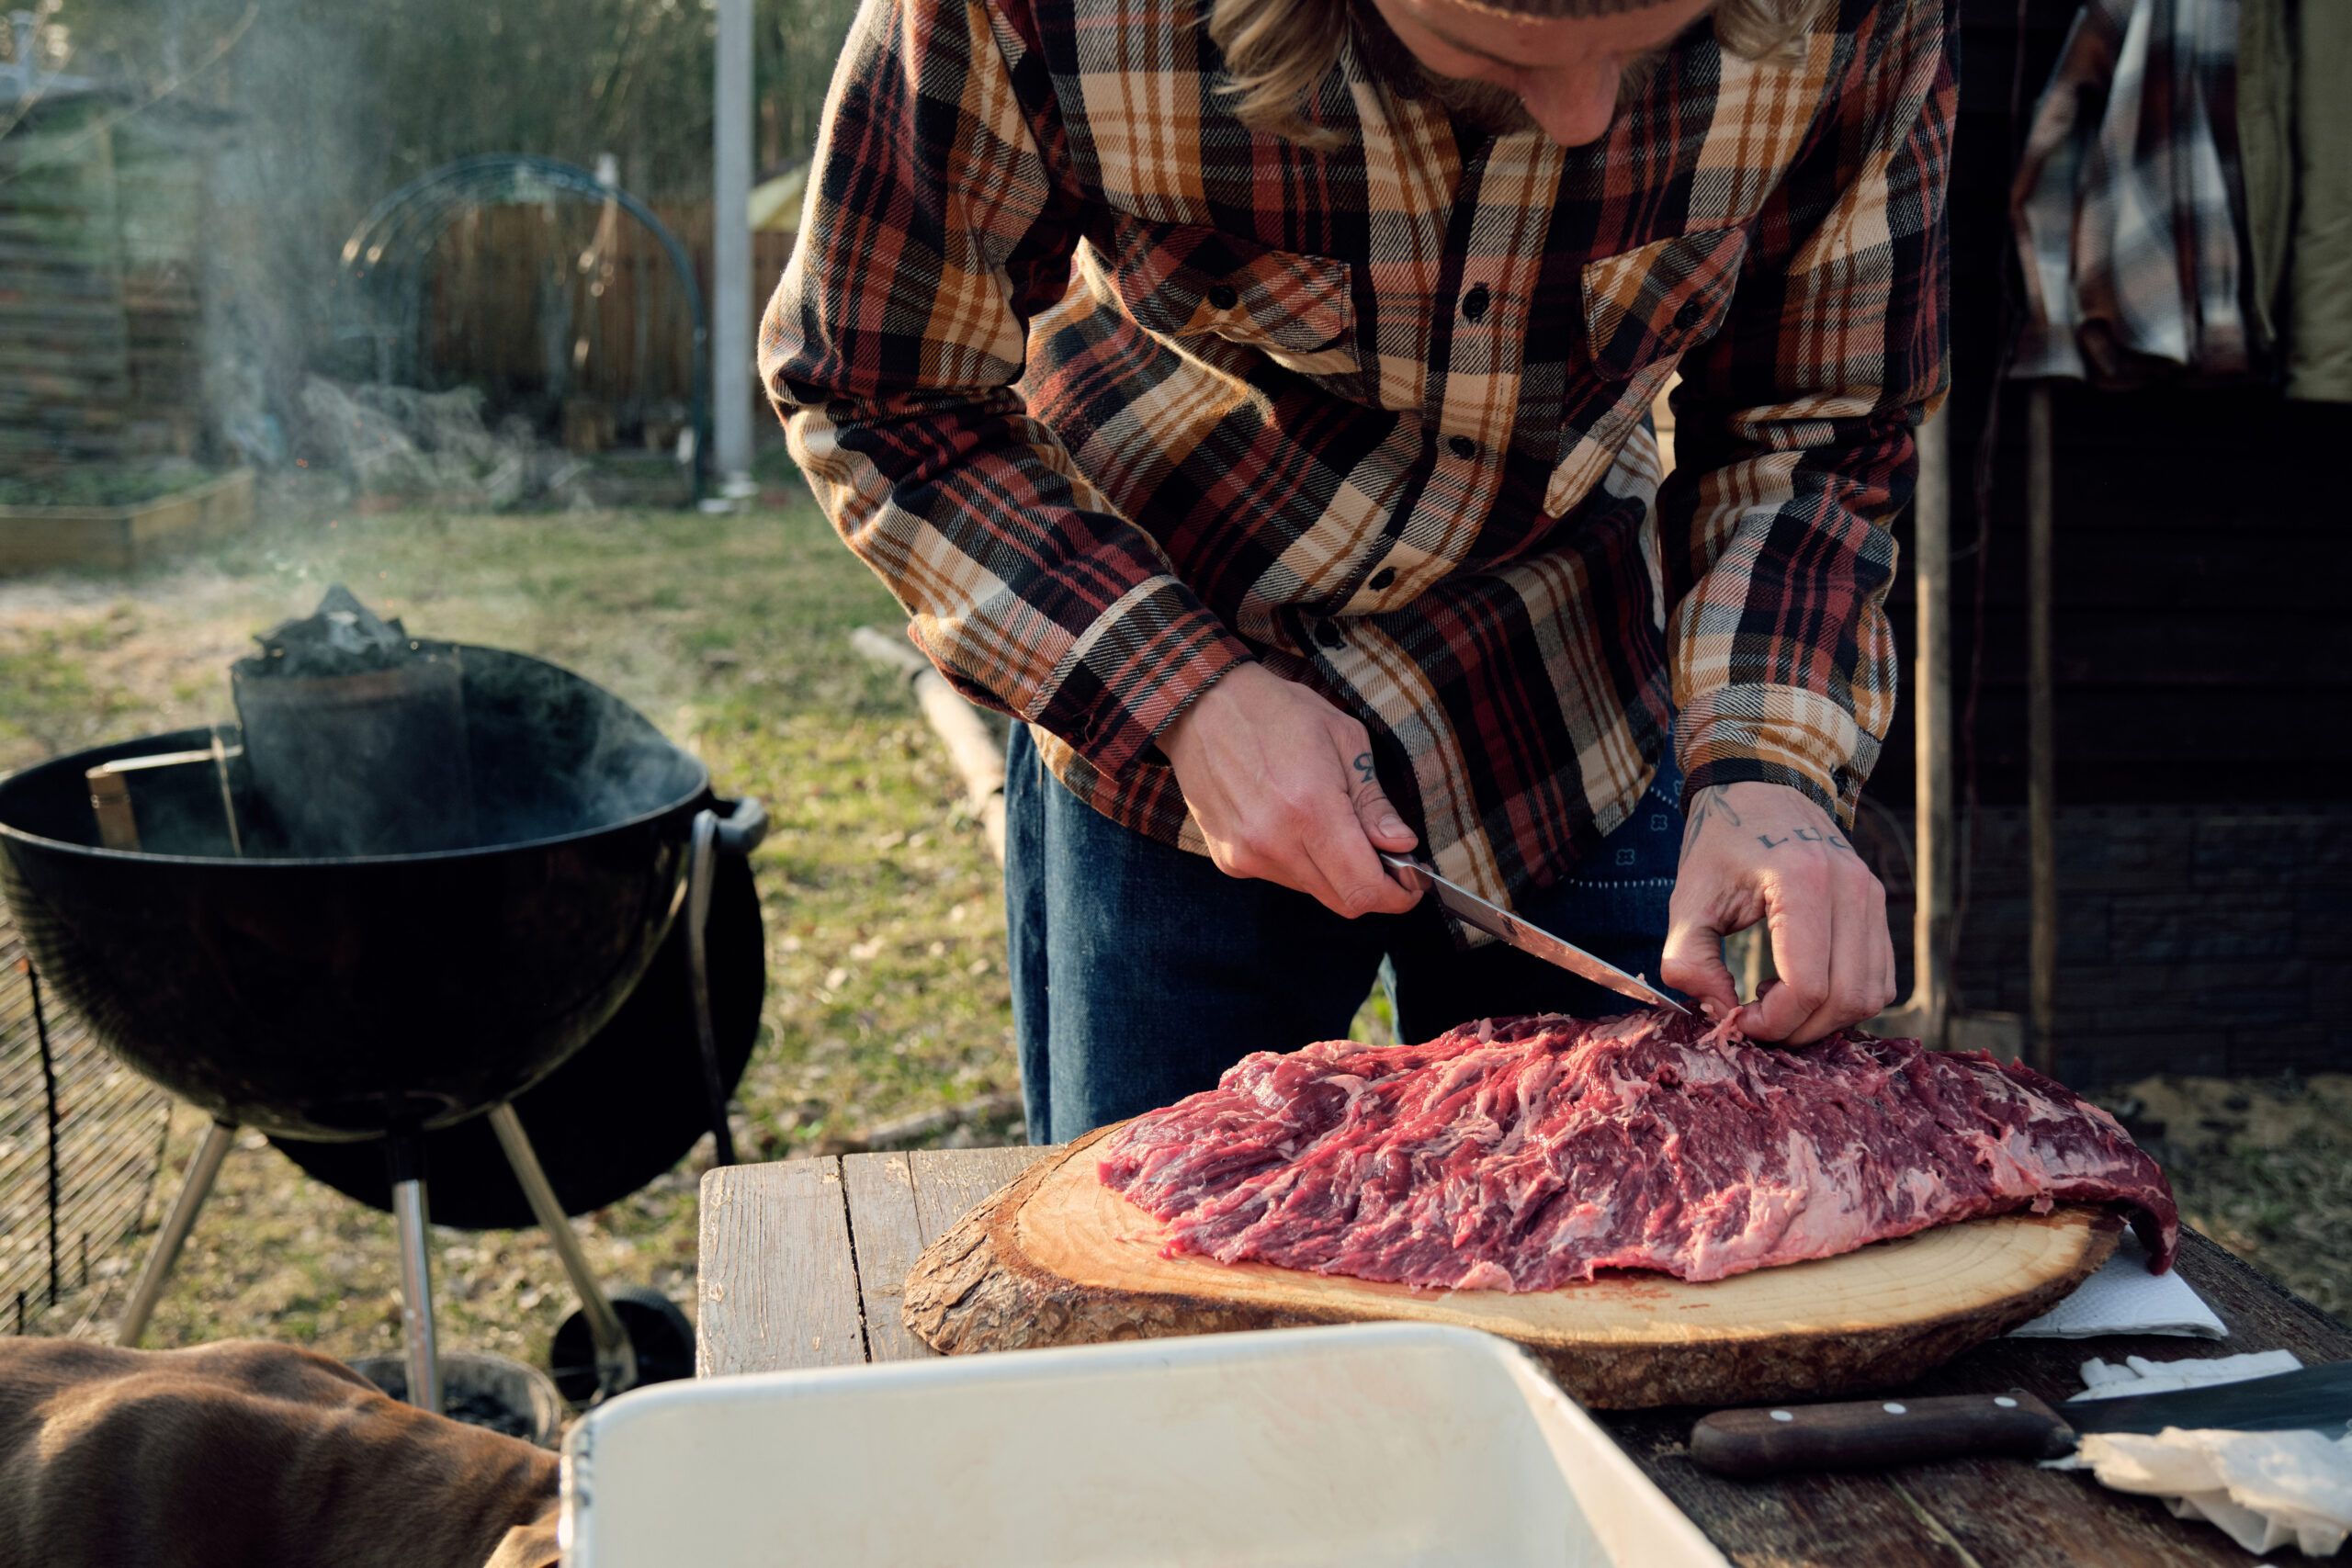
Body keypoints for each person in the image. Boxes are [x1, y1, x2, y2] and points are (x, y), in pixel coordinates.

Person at [764, 0, 1949, 1143]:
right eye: (1499, 50)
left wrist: (1768, 766)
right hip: (1170, 701)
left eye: (1651, 48)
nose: (1586, 116)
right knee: (1174, 1294)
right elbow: (875, 391)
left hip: (1571, 700)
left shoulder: (1853, 17)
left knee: (1612, 1295)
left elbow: (1820, 423)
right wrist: (1182, 691)